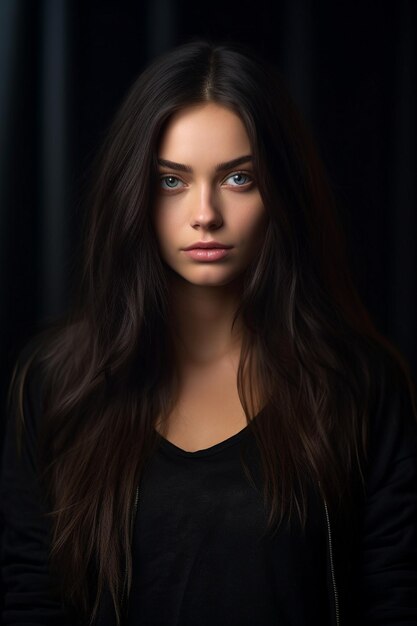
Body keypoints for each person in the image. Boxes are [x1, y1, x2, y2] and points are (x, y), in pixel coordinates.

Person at [1, 39, 417, 626]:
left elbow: (393, 596)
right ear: (134, 194)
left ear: (282, 191)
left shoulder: (360, 384)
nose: (204, 213)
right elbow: (30, 597)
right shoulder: (57, 383)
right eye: (171, 181)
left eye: (239, 178)